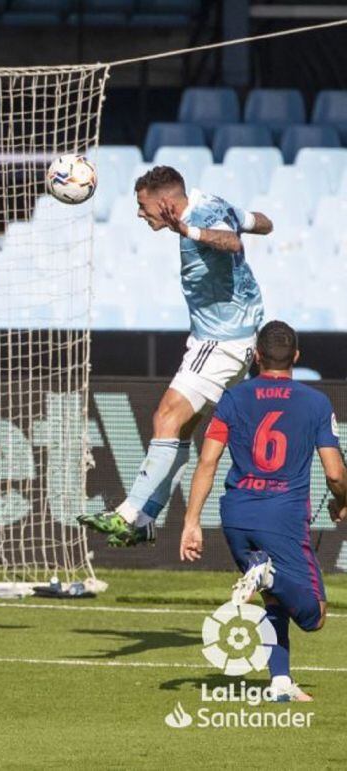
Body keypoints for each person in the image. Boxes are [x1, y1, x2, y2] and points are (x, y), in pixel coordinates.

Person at [79, 165, 274, 546]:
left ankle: (129, 514)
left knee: (165, 416)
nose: (140, 213)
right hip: (229, 339)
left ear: (166, 202)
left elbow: (233, 243)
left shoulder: (198, 217)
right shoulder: (212, 202)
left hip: (221, 343)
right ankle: (147, 516)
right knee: (181, 429)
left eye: (143, 205)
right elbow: (265, 224)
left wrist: (188, 231)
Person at [181, 321, 347, 702]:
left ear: (256, 356)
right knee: (314, 615)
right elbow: (335, 473)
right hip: (283, 518)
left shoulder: (233, 399)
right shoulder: (316, 403)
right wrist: (342, 500)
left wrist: (191, 521)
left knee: (277, 602)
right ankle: (267, 576)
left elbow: (206, 462)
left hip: (237, 515)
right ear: (297, 357)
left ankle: (280, 682)